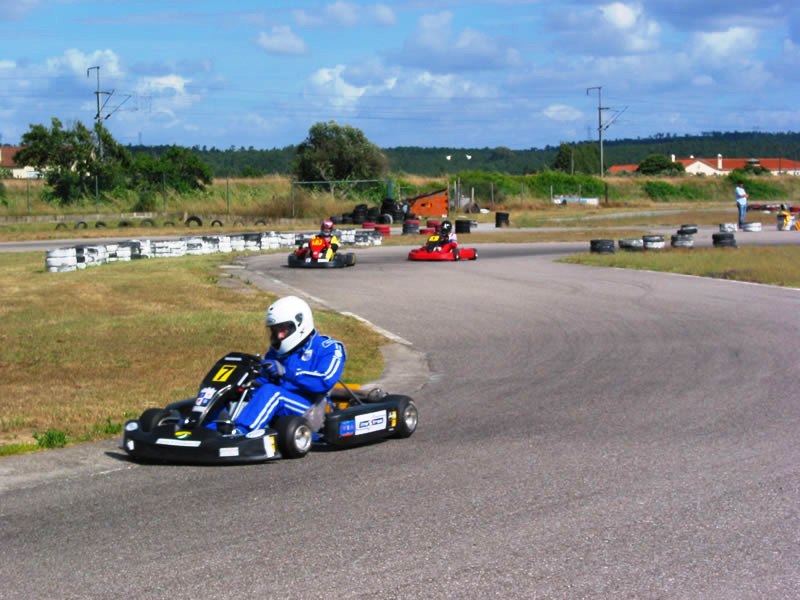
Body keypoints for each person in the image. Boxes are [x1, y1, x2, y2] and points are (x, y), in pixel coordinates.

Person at [229, 295, 346, 434]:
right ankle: (208, 430)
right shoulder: (277, 352)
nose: (278, 336)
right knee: (232, 393)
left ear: (299, 324)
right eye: (275, 330)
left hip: (311, 410)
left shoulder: (329, 348)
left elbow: (324, 380)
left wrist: (285, 372)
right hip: (282, 406)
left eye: (282, 330)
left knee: (271, 392)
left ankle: (240, 434)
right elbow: (262, 381)